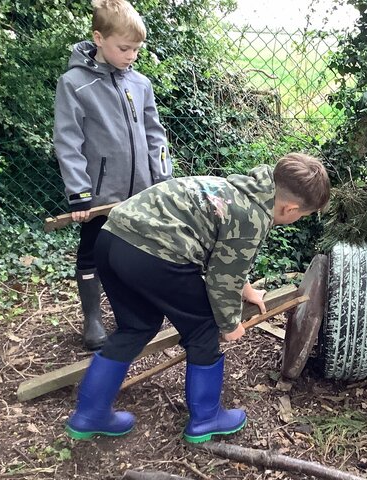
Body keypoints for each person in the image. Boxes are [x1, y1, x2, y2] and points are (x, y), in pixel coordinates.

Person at [65, 153, 331, 443]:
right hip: (156, 254)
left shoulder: (240, 189)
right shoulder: (253, 216)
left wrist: (247, 290)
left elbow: (225, 256)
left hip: (111, 239)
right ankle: (206, 418)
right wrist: (230, 325)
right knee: (204, 327)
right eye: (301, 216)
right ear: (291, 209)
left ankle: (90, 414)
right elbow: (220, 281)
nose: (297, 220)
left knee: (136, 326)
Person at [53, 0, 171, 351]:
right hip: (101, 196)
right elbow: (68, 139)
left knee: (136, 250)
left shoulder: (141, 84)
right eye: (124, 48)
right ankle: (92, 319)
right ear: (98, 38)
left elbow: (156, 134)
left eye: (136, 49)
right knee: (91, 251)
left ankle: (132, 312)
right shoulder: (74, 84)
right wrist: (79, 192)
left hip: (141, 193)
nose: (131, 55)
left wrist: (161, 177)